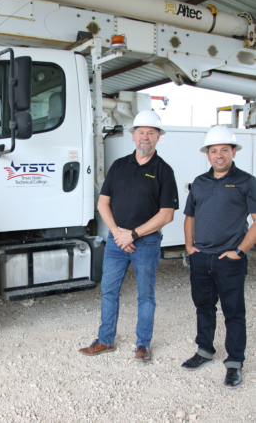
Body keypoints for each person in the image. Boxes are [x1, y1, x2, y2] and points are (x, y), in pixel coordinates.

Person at [79, 109, 179, 361]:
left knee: (146, 294)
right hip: (117, 241)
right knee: (108, 291)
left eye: (151, 133)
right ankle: (105, 340)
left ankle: (143, 344)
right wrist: (117, 233)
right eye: (141, 132)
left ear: (158, 137)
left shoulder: (164, 171)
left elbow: (167, 214)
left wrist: (133, 235)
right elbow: (103, 203)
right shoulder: (119, 166)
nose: (145, 137)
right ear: (134, 136)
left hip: (146, 242)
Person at [182, 125, 256, 389]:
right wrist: (190, 246)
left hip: (229, 261)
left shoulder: (247, 181)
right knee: (204, 306)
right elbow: (189, 216)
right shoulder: (200, 182)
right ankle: (204, 351)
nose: (219, 155)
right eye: (214, 151)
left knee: (234, 312)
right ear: (208, 154)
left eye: (225, 149)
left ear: (233, 151)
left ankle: (234, 363)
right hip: (201, 259)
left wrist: (239, 251)